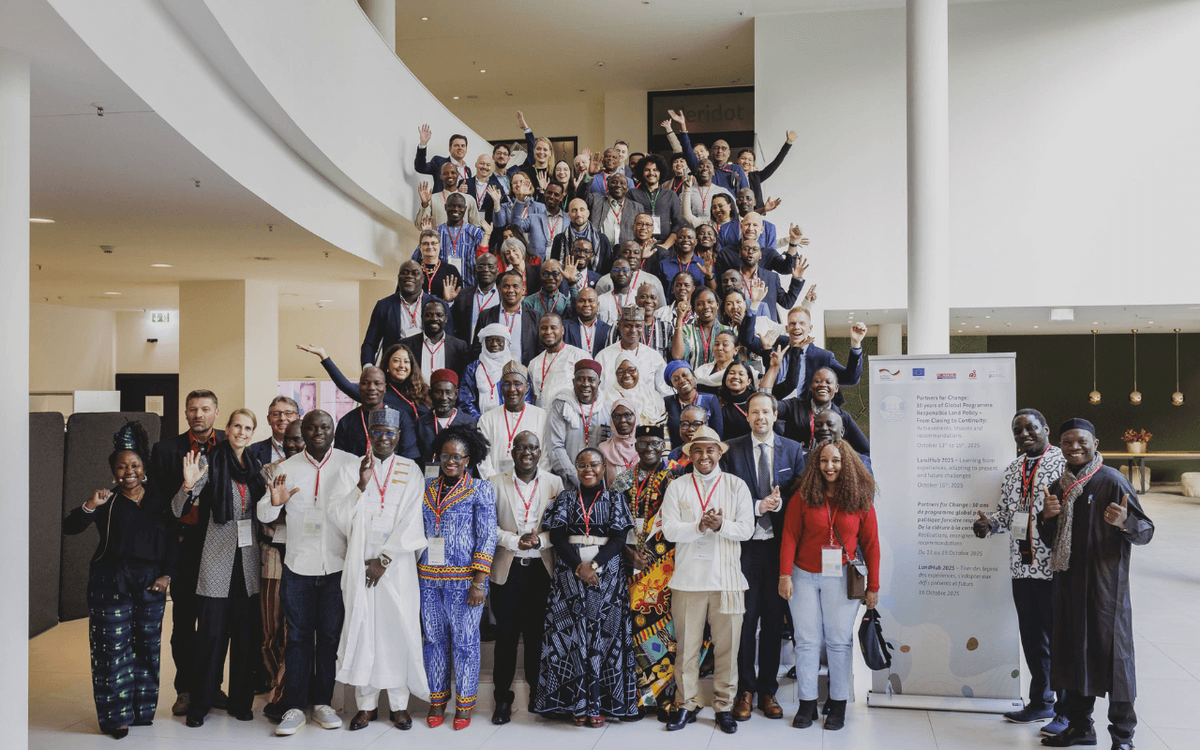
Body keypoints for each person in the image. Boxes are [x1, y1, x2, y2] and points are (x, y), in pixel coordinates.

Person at [1036, 419, 1154, 750]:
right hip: (1068, 587)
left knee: (1114, 662)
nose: (1074, 446)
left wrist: (1125, 522)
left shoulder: (1112, 481)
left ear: (1095, 442)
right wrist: (1046, 518)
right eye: (1067, 441)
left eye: (1081, 440)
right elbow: (1050, 540)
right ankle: (1080, 728)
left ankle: (1123, 738)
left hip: (1106, 591)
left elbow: (1146, 531)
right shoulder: (1060, 487)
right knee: (1072, 657)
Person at [63, 422, 174, 739]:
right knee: (112, 651)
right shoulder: (106, 501)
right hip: (110, 583)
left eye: (135, 464)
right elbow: (71, 526)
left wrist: (167, 575)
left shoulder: (159, 500)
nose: (129, 471)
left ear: (144, 468)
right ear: (113, 471)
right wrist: (89, 505)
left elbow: (174, 540)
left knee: (147, 648)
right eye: (122, 466)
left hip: (151, 583)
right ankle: (117, 718)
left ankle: (141, 712)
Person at [257, 410, 359, 736]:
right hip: (298, 566)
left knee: (329, 638)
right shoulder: (286, 468)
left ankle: (323, 704)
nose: (318, 432)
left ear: (332, 431)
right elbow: (263, 510)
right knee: (298, 639)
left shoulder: (350, 463)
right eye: (311, 427)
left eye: (324, 427)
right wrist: (275, 502)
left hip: (337, 566)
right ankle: (294, 707)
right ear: (303, 431)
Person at [330, 408, 429, 732]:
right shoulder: (352, 468)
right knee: (364, 631)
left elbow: (413, 519)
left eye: (390, 433)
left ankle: (399, 706)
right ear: (369, 435)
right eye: (378, 432)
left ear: (398, 437)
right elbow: (338, 518)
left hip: (396, 567)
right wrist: (360, 485)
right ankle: (366, 706)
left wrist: (384, 560)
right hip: (360, 563)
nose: (384, 438)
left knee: (397, 631)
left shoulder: (411, 470)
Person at [973, 409, 1067, 735]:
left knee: (1059, 641)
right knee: (1031, 637)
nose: (1024, 434)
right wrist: (988, 526)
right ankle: (1041, 702)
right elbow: (1006, 514)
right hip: (1021, 566)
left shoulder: (1063, 465)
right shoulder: (1013, 470)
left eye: (1030, 428)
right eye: (1018, 431)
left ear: (1046, 429)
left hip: (1053, 568)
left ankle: (1068, 713)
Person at [173, 408, 267, 727]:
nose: (241, 432)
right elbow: (176, 508)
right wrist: (187, 486)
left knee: (245, 637)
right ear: (226, 428)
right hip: (216, 561)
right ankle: (201, 704)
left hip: (248, 563)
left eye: (248, 428)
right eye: (237, 426)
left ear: (253, 433)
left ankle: (241, 702)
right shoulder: (208, 461)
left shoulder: (256, 467)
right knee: (211, 638)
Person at [779, 438, 880, 731]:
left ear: (845, 463)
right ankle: (807, 703)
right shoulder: (804, 496)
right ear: (816, 464)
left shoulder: (861, 498)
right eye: (823, 461)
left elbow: (871, 545)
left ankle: (837, 703)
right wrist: (785, 575)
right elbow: (789, 536)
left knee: (838, 642)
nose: (829, 466)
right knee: (807, 641)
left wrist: (873, 586)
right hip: (803, 576)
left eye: (835, 460)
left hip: (842, 578)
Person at [533, 448, 639, 726]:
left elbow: (618, 539)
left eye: (594, 465)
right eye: (582, 465)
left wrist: (594, 566)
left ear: (604, 467)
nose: (588, 470)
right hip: (569, 576)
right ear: (576, 468)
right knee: (572, 640)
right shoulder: (566, 498)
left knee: (604, 640)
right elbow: (557, 536)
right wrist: (579, 566)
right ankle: (574, 705)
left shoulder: (616, 498)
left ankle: (598, 705)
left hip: (607, 577)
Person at [660, 426, 755, 734]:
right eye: (697, 450)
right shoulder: (678, 487)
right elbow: (670, 530)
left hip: (728, 583)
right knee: (686, 649)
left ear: (719, 453)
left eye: (710, 450)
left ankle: (724, 707)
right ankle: (686, 704)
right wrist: (699, 527)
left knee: (728, 650)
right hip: (688, 582)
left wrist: (721, 524)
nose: (704, 456)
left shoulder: (736, 485)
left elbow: (746, 530)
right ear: (689, 455)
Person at [721, 392, 805, 721]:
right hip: (744, 549)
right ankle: (746, 689)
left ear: (774, 415)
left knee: (773, 621)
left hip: (779, 549)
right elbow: (727, 498)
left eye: (765, 412)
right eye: (754, 412)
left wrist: (780, 506)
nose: (760, 417)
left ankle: (768, 690)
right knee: (744, 621)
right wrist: (758, 507)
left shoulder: (793, 450)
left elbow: (799, 498)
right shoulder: (732, 450)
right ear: (748, 416)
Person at [147, 389, 225, 717]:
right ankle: (185, 689)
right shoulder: (166, 450)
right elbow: (156, 504)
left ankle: (211, 687)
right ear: (185, 413)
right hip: (184, 544)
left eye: (205, 409)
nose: (198, 415)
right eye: (192, 409)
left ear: (216, 412)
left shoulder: (229, 444)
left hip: (220, 547)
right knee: (184, 622)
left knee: (215, 623)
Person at [418, 426, 498, 730]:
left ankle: (465, 704)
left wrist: (480, 581)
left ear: (468, 459)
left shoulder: (480, 489)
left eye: (457, 457)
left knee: (465, 642)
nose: (450, 461)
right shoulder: (425, 487)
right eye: (445, 456)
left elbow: (487, 535)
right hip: (428, 579)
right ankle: (437, 699)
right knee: (434, 640)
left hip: (466, 581)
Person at [487, 431, 563, 725]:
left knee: (537, 637)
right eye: (522, 448)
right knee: (505, 638)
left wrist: (540, 541)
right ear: (513, 450)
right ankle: (502, 701)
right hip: (508, 570)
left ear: (539, 451)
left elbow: (560, 525)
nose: (527, 453)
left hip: (542, 571)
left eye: (532, 448)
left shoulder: (554, 483)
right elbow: (487, 526)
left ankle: (538, 694)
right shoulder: (495, 482)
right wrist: (513, 540)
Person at [611, 425, 685, 718]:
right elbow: (613, 525)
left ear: (663, 444)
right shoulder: (622, 481)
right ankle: (639, 698)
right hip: (630, 568)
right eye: (643, 444)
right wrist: (628, 553)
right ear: (635, 447)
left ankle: (666, 697)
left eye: (655, 443)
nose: (649, 449)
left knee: (667, 632)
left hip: (665, 568)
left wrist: (654, 555)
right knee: (633, 631)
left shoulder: (675, 479)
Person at [258, 419, 304, 714]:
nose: (292, 445)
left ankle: (284, 693)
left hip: (303, 556)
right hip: (273, 555)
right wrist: (276, 503)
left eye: (298, 439)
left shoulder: (319, 473)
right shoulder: (270, 471)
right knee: (270, 628)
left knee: (296, 630)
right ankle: (278, 681)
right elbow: (264, 514)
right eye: (288, 440)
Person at [741, 307, 865, 403]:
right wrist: (754, 305)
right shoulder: (775, 344)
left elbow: (851, 378)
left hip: (803, 417)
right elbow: (746, 339)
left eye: (802, 323)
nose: (797, 327)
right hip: (774, 410)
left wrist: (856, 344)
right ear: (787, 328)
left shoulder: (823, 357)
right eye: (792, 323)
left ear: (810, 328)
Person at [361, 260, 450, 365]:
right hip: (396, 370)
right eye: (405, 272)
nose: (409, 276)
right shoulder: (384, 306)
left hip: (429, 367)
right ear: (398, 277)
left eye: (414, 273)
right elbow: (370, 343)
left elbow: (449, 341)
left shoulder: (438, 305)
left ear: (422, 279)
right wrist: (368, 367)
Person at [476, 362, 548, 479]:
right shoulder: (487, 419)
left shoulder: (541, 416)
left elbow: (545, 456)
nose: (512, 389)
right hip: (496, 486)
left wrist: (534, 481)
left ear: (527, 387)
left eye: (517, 384)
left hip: (533, 486)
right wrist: (495, 483)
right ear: (501, 388)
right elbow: (483, 457)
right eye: (506, 384)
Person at [547, 359, 612, 491]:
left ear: (598, 383)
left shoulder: (608, 409)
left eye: (591, 379)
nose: (586, 384)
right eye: (580, 379)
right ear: (573, 382)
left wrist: (594, 480)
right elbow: (555, 446)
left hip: (599, 485)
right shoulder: (562, 405)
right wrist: (577, 478)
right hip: (567, 483)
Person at [777, 367, 870, 455]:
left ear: (836, 388)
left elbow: (867, 452)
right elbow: (768, 407)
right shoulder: (793, 406)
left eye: (829, 382)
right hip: (798, 468)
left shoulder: (843, 418)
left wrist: (846, 463)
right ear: (810, 386)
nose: (823, 385)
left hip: (829, 468)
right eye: (817, 381)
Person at [597, 305, 673, 399]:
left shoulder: (654, 357)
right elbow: (598, 392)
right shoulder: (603, 357)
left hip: (646, 411)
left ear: (643, 326)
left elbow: (665, 392)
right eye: (628, 326)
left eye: (638, 326)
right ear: (620, 325)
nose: (633, 330)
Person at [474, 270, 540, 365]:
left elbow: (540, 350)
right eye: (506, 286)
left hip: (524, 373)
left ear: (523, 290)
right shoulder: (486, 315)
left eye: (515, 286)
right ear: (499, 289)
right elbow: (477, 348)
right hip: (493, 373)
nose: (510, 290)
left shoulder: (535, 317)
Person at [733, 240, 806, 323]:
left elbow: (787, 303)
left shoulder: (771, 278)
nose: (750, 252)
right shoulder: (731, 277)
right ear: (740, 253)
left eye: (755, 249)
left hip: (766, 331)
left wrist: (796, 279)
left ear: (760, 255)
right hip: (738, 328)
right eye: (746, 249)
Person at [417, 369, 478, 469]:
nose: (444, 397)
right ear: (431, 393)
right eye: (439, 392)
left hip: (461, 483)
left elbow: (473, 462)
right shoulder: (419, 424)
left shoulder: (469, 423)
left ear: (456, 394)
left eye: (448, 392)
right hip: (428, 482)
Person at [333, 366, 395, 458]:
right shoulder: (345, 422)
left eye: (377, 383)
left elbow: (408, 456)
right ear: (359, 387)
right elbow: (339, 459)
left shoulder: (400, 417)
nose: (371, 388)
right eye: (365, 383)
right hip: (354, 471)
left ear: (385, 388)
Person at [528, 313, 586, 408]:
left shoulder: (578, 356)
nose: (548, 332)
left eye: (553, 327)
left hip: (568, 417)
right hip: (541, 417)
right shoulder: (534, 363)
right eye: (544, 328)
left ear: (562, 330)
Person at [460, 324, 518, 419]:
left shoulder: (515, 368)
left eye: (498, 340)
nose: (494, 344)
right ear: (484, 343)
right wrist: (482, 422)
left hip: (510, 422)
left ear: (506, 342)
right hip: (479, 425)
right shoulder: (472, 369)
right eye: (490, 340)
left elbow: (524, 399)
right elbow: (466, 403)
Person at [402, 298, 471, 376]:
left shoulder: (459, 346)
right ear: (422, 318)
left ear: (446, 318)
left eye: (439, 315)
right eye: (428, 315)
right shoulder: (407, 345)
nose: (434, 318)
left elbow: (464, 377)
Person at [662, 359, 723, 447]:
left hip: (705, 452)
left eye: (685, 375)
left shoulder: (710, 399)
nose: (682, 380)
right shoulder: (668, 402)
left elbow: (718, 434)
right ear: (672, 385)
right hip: (678, 455)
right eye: (676, 379)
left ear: (693, 376)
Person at [672, 287, 734, 371]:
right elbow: (677, 356)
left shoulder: (730, 331)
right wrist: (679, 318)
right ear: (694, 309)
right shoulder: (686, 330)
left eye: (710, 302)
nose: (706, 307)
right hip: (694, 381)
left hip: (720, 381)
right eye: (700, 304)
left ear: (717, 305)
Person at [628, 154, 683, 246]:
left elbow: (678, 223)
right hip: (638, 246)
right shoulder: (632, 194)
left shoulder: (670, 195)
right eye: (647, 170)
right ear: (641, 172)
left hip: (665, 246)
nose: (651, 173)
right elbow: (628, 222)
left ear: (661, 172)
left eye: (655, 170)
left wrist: (666, 246)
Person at [549, 198, 613, 273]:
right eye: (574, 210)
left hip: (596, 282)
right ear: (569, 215)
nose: (578, 214)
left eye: (582, 210)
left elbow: (608, 269)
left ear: (588, 213)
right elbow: (554, 267)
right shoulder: (559, 239)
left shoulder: (602, 240)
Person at [450, 251, 500, 345]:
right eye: (481, 266)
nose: (485, 269)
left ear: (497, 271)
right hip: (467, 351)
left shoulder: (503, 296)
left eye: (490, 266)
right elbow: (451, 322)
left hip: (495, 349)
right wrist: (448, 301)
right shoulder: (463, 295)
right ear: (476, 270)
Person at [737, 131, 796, 210]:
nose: (746, 162)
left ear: (753, 163)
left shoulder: (756, 176)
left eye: (750, 160)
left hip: (755, 213)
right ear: (738, 160)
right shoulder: (732, 176)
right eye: (743, 158)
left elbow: (775, 163)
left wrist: (788, 143)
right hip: (735, 213)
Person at [587, 171, 641, 248]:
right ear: (608, 186)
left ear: (627, 188)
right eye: (614, 182)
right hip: (600, 250)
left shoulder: (636, 207)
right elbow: (581, 196)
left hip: (626, 253)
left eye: (622, 183)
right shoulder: (596, 200)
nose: (618, 185)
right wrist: (589, 175)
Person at [416, 167, 481, 229]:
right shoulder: (432, 199)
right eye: (446, 173)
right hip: (439, 240)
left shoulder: (469, 199)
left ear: (458, 175)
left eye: (453, 173)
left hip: (462, 240)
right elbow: (419, 226)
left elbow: (476, 227)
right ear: (441, 176)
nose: (450, 175)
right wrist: (424, 204)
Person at [414, 125, 471, 193]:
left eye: (463, 146)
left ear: (466, 149)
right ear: (450, 149)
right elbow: (420, 167)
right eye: (456, 145)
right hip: (441, 202)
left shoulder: (467, 170)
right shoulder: (439, 162)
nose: (460, 148)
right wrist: (423, 144)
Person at [596, 398, 640, 484]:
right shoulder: (603, 449)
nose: (622, 420)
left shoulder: (644, 447)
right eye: (616, 416)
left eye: (627, 415)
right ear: (611, 420)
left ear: (636, 417)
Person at [249, 396, 300, 467]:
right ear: (269, 419)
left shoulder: (310, 450)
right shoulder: (252, 452)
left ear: (298, 418)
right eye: (276, 414)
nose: (282, 418)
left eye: (288, 413)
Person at [564, 286, 611, 357]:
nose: (586, 304)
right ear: (576, 304)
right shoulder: (565, 327)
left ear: (597, 305)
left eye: (591, 301)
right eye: (582, 301)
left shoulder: (608, 330)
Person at [718, 360, 758, 439]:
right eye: (731, 373)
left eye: (741, 374)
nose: (735, 377)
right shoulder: (720, 404)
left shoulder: (756, 402)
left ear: (748, 381)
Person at [667, 404, 708, 470]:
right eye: (685, 424)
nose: (691, 429)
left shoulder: (711, 455)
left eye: (697, 424)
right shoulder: (674, 454)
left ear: (706, 427)